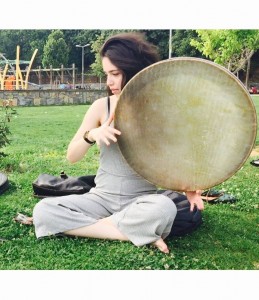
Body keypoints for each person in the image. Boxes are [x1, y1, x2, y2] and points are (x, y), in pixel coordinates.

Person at [33, 32, 204, 254]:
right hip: (100, 199)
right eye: (106, 74)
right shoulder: (100, 107)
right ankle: (127, 232)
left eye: (115, 73)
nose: (109, 82)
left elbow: (169, 162)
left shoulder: (161, 111)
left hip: (141, 201)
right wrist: (92, 135)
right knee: (43, 210)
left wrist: (187, 188)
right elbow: (72, 156)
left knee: (163, 208)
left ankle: (107, 226)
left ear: (133, 70)